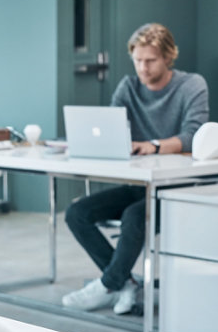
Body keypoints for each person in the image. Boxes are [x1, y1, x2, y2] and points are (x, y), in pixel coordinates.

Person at [62, 23, 209, 314]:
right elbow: (110, 128)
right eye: (138, 60)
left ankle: (107, 285)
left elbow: (195, 135)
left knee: (134, 215)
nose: (143, 67)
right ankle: (125, 282)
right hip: (139, 183)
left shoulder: (192, 85)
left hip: (176, 188)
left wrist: (152, 145)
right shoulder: (128, 87)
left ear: (168, 57)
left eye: (151, 60)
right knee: (77, 213)